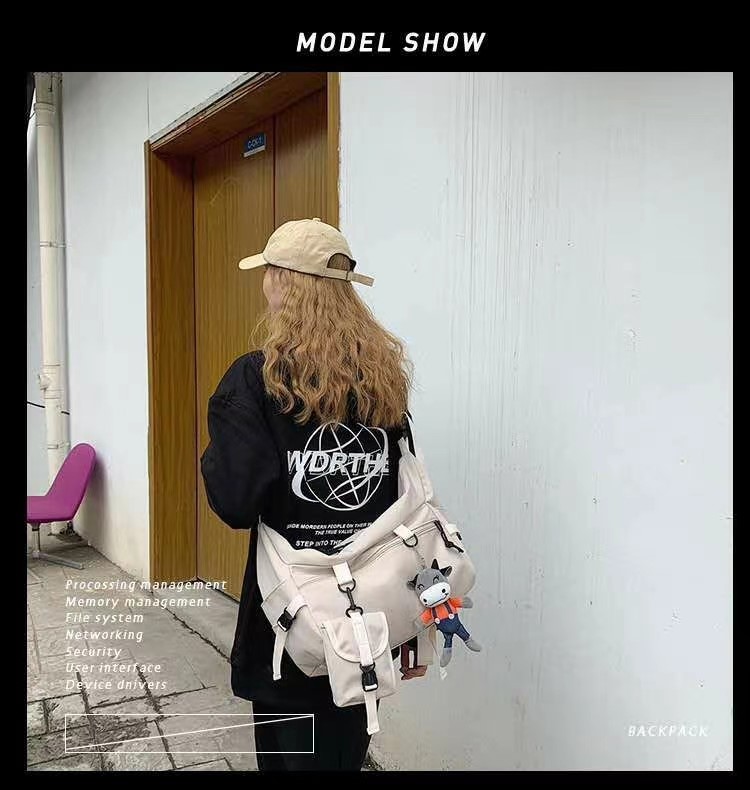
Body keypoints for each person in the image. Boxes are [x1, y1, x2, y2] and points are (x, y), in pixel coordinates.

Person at [200, 218, 427, 771]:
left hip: (290, 619)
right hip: (367, 614)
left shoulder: (257, 380)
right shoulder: (380, 381)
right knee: (344, 752)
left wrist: (220, 447)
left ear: (283, 282)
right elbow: (403, 505)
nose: (264, 286)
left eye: (267, 274)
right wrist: (411, 624)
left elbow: (235, 502)